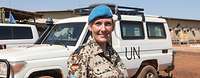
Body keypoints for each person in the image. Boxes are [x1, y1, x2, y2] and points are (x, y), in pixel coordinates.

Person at [67, 5, 128, 78]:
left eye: (108, 24)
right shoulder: (79, 56)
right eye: (98, 23)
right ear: (90, 27)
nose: (103, 29)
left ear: (112, 27)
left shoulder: (111, 52)